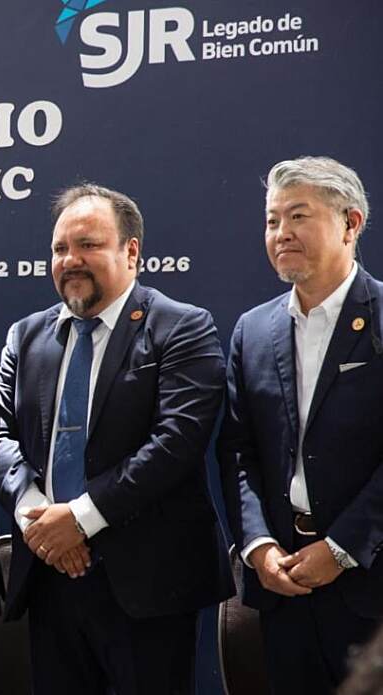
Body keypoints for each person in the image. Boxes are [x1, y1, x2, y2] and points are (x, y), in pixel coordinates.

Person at [0, 184, 234, 694]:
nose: (70, 260)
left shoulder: (182, 327)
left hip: (148, 584)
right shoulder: (25, 335)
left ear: (131, 251)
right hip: (49, 577)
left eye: (88, 245)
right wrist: (38, 518)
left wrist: (79, 519)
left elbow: (175, 442)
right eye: (60, 248)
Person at [219, 156, 382, 694]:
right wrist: (258, 544)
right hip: (283, 585)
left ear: (351, 224)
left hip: (369, 584)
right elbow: (238, 450)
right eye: (272, 220)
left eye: (298, 216)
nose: (281, 233)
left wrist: (340, 549)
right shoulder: (253, 329)